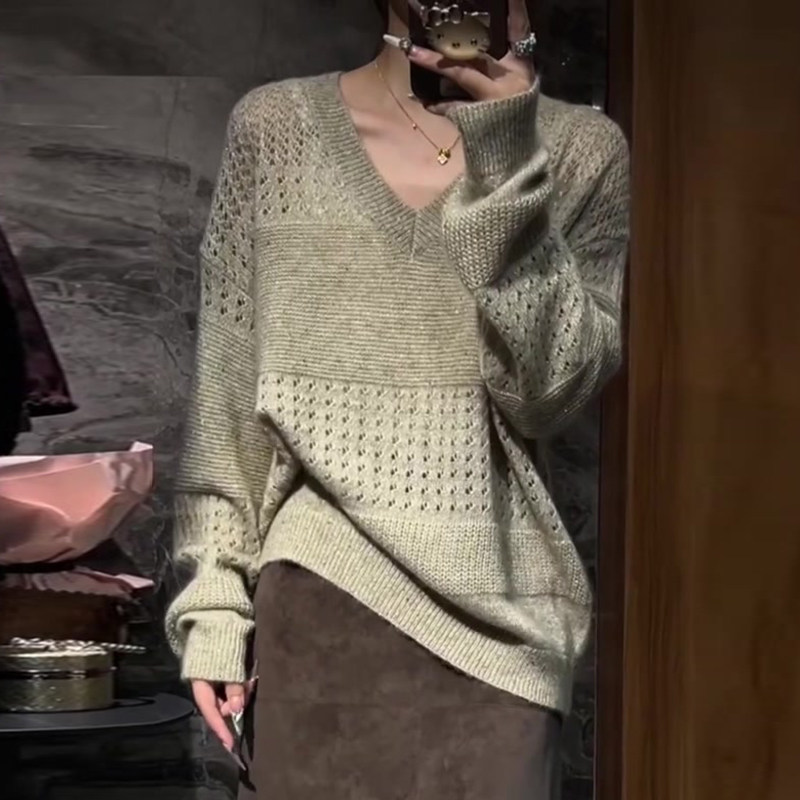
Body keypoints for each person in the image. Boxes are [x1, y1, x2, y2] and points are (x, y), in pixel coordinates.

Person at [166, 0, 629, 797]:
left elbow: (550, 394)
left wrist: (506, 154)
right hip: (316, 607)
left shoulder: (584, 149)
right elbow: (228, 394)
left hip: (503, 629)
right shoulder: (276, 128)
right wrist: (213, 602)